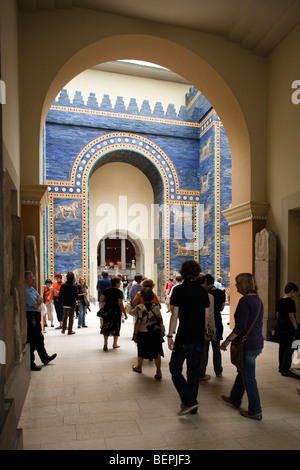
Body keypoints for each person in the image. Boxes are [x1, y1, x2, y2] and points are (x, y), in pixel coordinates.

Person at [168, 260, 210, 415]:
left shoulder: (179, 290)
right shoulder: (203, 291)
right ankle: (192, 406)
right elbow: (206, 316)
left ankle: (190, 401)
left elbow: (175, 315)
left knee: (174, 368)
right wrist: (201, 332)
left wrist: (170, 335)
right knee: (193, 372)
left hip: (184, 336)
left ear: (183, 273)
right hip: (198, 338)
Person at [220, 273, 264, 420]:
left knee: (249, 377)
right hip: (257, 342)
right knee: (243, 371)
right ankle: (235, 398)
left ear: (244, 284)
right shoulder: (258, 300)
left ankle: (255, 410)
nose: (236, 285)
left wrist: (227, 340)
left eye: (238, 283)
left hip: (248, 343)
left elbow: (241, 326)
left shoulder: (245, 301)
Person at [25, 271, 57, 370]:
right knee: (33, 339)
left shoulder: (32, 289)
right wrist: (38, 301)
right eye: (30, 277)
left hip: (36, 315)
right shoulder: (25, 291)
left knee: (39, 337)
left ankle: (44, 357)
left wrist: (38, 301)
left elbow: (40, 298)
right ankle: (31, 362)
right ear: (25, 280)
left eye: (33, 276)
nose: (33, 278)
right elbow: (35, 304)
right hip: (31, 316)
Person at [131, 287, 164, 379]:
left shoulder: (140, 307)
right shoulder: (156, 306)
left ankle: (139, 367)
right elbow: (160, 320)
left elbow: (138, 322)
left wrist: (134, 334)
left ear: (142, 297)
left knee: (141, 349)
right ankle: (158, 371)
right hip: (156, 331)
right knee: (157, 351)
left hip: (144, 331)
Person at [204, 273, 226, 377]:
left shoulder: (205, 294)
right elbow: (222, 308)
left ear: (205, 282)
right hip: (218, 321)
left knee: (205, 349)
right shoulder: (221, 293)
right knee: (216, 348)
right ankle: (218, 371)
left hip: (207, 324)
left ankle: (202, 370)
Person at [275, 282, 299, 376]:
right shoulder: (291, 302)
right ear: (292, 291)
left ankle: (281, 367)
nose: (295, 295)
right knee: (289, 348)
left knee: (282, 347)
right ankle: (285, 369)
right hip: (288, 327)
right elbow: (291, 316)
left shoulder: (280, 300)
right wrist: (296, 328)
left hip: (281, 326)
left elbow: (277, 314)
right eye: (295, 293)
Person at [100, 276, 127, 350]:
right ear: (117, 283)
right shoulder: (119, 292)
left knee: (106, 325)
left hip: (107, 310)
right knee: (116, 326)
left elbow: (101, 298)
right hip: (115, 311)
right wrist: (124, 313)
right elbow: (120, 304)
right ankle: (115, 343)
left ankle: (105, 342)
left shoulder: (107, 290)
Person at [197, 274, 216, 381]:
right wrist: (212, 329)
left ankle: (191, 371)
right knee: (203, 352)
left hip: (190, 329)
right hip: (203, 328)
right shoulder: (209, 297)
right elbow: (210, 315)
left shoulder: (187, 294)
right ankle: (201, 373)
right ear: (204, 281)